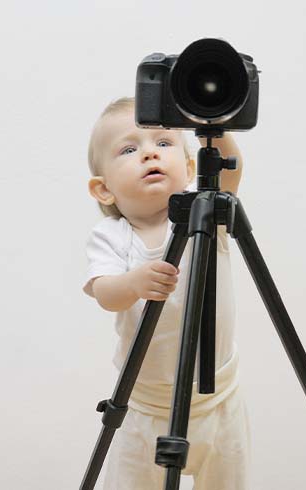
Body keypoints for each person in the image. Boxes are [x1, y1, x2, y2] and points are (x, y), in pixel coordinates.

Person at [83, 96, 251, 489]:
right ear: (103, 189)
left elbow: (231, 174)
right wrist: (134, 283)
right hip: (144, 406)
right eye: (129, 149)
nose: (148, 154)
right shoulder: (113, 236)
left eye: (163, 143)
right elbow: (105, 293)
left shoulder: (207, 212)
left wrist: (215, 124)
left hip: (219, 401)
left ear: (190, 167)